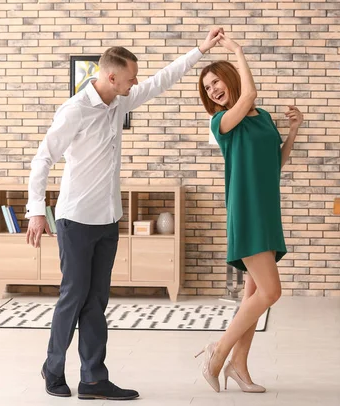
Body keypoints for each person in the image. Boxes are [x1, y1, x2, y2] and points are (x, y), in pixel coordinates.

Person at [24, 28, 224, 401]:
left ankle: (93, 380)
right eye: (130, 77)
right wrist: (37, 211)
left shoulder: (119, 102)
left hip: (107, 220)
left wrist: (200, 49)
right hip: (75, 220)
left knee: (97, 301)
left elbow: (163, 79)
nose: (136, 83)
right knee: (74, 296)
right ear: (111, 76)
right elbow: (43, 158)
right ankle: (53, 368)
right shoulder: (75, 110)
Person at [195, 35, 303, 393]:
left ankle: (238, 368)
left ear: (228, 76)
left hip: (268, 211)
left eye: (215, 82)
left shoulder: (265, 118)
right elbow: (250, 96)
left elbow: (276, 163)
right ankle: (218, 352)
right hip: (247, 213)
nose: (212, 90)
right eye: (207, 88)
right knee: (271, 293)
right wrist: (239, 52)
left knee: (253, 297)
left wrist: (293, 131)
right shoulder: (223, 122)